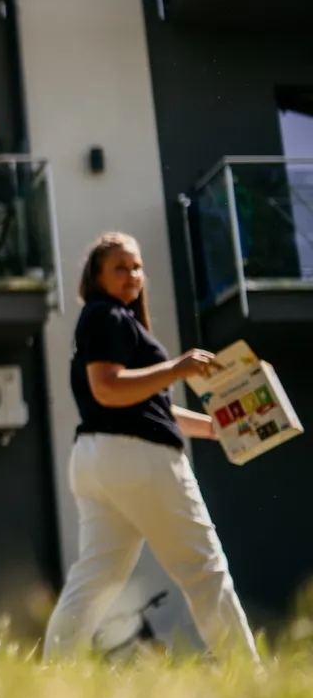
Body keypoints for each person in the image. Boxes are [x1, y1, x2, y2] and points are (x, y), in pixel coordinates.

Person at [42, 232, 258, 662]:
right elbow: (107, 389)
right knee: (204, 568)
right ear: (97, 275)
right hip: (139, 457)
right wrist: (177, 368)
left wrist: (217, 427)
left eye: (137, 266)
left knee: (96, 576)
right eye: (120, 267)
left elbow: (147, 406)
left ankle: (54, 673)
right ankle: (247, 674)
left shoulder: (109, 321)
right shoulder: (108, 316)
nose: (132, 275)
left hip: (97, 458)